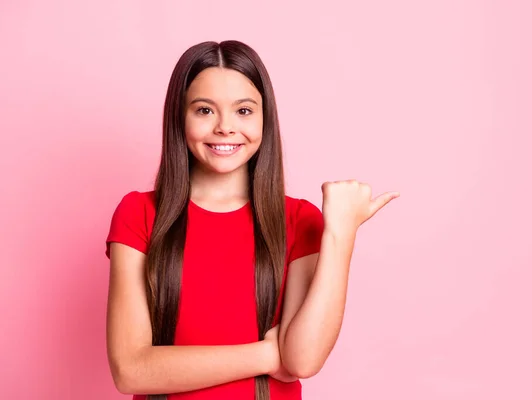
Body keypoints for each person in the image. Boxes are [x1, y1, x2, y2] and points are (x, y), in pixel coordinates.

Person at [104, 40, 399, 400]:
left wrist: (340, 234)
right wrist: (265, 355)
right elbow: (131, 371)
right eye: (204, 110)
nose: (226, 127)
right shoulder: (139, 215)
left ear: (265, 118)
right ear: (179, 118)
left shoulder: (299, 219)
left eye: (244, 111)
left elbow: (303, 360)